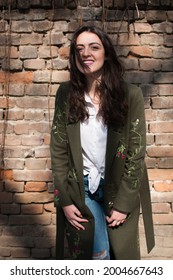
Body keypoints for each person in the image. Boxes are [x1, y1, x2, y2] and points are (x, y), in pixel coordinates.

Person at [50, 25, 155, 260]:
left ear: (106, 53)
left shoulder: (130, 95)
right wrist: (64, 200)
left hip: (118, 189)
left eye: (93, 47)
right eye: (79, 49)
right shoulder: (65, 94)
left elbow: (136, 154)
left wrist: (124, 203)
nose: (85, 53)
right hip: (81, 189)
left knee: (121, 258)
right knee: (98, 255)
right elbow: (58, 151)